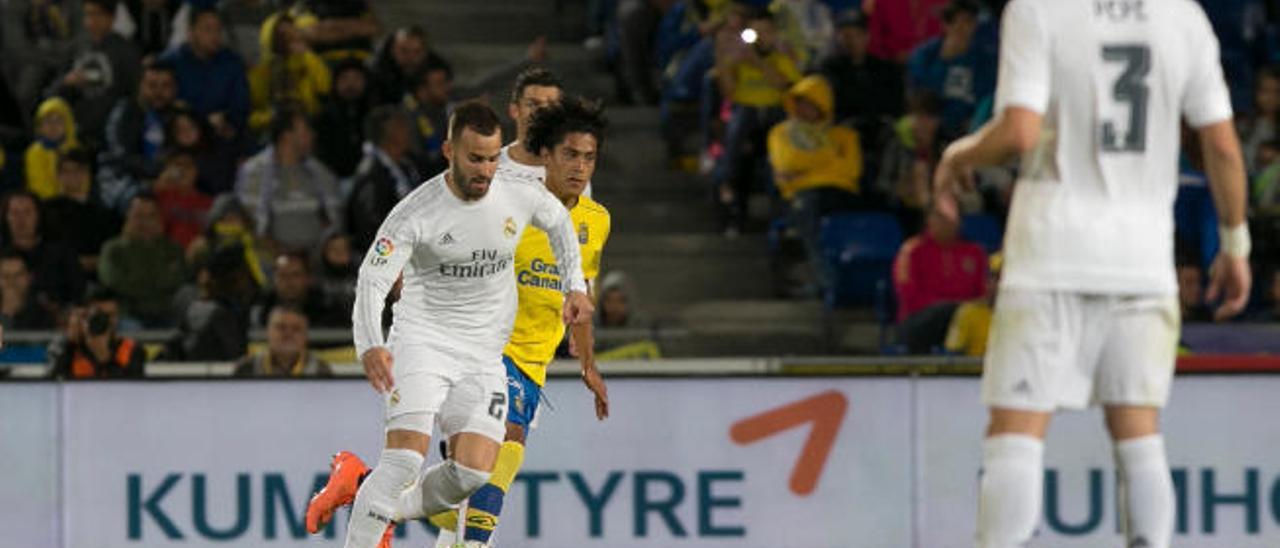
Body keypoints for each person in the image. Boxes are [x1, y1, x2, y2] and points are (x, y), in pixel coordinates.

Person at [932, 2, 1252, 547]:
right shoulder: (1183, 16)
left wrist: (956, 156)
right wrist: (1235, 243)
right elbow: (1221, 146)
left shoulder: (1039, 9)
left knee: (1016, 434)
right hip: (1143, 258)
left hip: (1050, 250)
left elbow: (1018, 132)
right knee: (1138, 436)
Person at [302, 101, 593, 548]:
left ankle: (361, 489)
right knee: (402, 462)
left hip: (483, 356)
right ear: (448, 152)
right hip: (422, 344)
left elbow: (560, 225)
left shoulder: (516, 194)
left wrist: (575, 286)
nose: (486, 169)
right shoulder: (416, 211)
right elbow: (373, 278)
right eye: (475, 158)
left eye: (493, 157)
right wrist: (370, 344)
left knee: (474, 472)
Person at [427, 96, 612, 547]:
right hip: (486, 351)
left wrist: (588, 363)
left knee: (469, 484)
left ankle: (370, 488)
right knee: (502, 444)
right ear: (545, 155)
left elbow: (581, 293)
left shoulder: (597, 221)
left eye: (589, 157)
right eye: (570, 154)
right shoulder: (505, 206)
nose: (579, 167)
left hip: (532, 362)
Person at [767, 75, 863, 294]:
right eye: (799, 102)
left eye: (808, 103)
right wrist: (830, 157)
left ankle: (849, 281)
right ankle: (826, 281)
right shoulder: (780, 133)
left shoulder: (845, 136)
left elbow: (852, 170)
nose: (802, 109)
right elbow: (787, 162)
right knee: (808, 209)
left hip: (839, 193)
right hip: (800, 197)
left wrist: (804, 169)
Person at [235, 104, 341, 254]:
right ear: (287, 135)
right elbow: (250, 227)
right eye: (306, 130)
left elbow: (334, 222)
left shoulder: (321, 173)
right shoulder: (254, 173)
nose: (312, 135)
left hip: (317, 262)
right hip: (273, 262)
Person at [48, 0, 142, 148]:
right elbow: (51, 93)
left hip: (111, 129)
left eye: (98, 14)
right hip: (74, 128)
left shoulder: (126, 51)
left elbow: (134, 93)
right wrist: (67, 82)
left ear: (111, 18)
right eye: (88, 14)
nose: (92, 20)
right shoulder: (76, 48)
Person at [98, 59, 182, 211]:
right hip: (123, 177)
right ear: (141, 86)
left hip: (167, 179)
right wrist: (157, 172)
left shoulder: (179, 115)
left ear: (175, 89)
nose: (159, 92)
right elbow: (119, 154)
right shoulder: (124, 112)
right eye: (152, 85)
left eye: (165, 86)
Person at [906, 0, 995, 139]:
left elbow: (985, 98)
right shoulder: (924, 56)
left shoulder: (984, 60)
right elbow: (917, 94)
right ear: (945, 25)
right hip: (930, 122)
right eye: (955, 22)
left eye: (968, 22)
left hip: (968, 128)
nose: (962, 28)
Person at [98, 192, 187, 328]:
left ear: (158, 218)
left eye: (150, 216)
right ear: (128, 216)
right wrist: (156, 284)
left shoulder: (172, 249)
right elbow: (112, 281)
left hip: (167, 312)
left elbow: (180, 278)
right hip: (128, 312)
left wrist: (140, 281)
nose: (144, 222)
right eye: (138, 216)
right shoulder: (113, 249)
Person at [159, 7, 250, 140]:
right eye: (208, 29)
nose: (215, 36)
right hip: (180, 137)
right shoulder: (170, 62)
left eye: (218, 30)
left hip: (222, 136)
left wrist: (226, 119)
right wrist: (203, 120)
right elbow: (163, 104)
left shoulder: (232, 63)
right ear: (190, 32)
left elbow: (241, 106)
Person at [347, 105, 419, 253]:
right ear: (390, 133)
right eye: (402, 126)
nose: (409, 131)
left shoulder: (408, 166)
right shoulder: (371, 174)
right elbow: (370, 226)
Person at [247, 12, 332, 134]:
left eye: (292, 31)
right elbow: (249, 115)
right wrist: (269, 119)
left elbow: (324, 89)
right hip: (271, 131)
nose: (290, 37)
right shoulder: (262, 71)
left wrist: (307, 57)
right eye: (282, 34)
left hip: (308, 127)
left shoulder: (309, 60)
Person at [41, 148, 121, 277]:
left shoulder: (104, 212)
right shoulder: (47, 210)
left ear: (87, 174)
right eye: (66, 171)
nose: (72, 176)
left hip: (100, 274)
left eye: (78, 171)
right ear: (58, 176)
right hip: (61, 274)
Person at [0, 190, 85, 307]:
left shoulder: (61, 253)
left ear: (39, 215)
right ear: (6, 217)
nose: (20, 219)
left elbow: (77, 292)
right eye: (14, 213)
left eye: (27, 212)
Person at [47, 287, 147, 379]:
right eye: (99, 315)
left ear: (118, 316)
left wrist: (105, 359)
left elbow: (133, 392)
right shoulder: (64, 347)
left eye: (111, 315)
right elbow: (50, 387)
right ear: (85, 315)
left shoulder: (131, 349)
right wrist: (69, 343)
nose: (106, 321)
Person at [254, 251, 347, 328]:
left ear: (308, 278)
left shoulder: (329, 309)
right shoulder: (262, 308)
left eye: (295, 275)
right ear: (274, 280)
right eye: (282, 276)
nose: (289, 281)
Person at [234, 305, 332, 377]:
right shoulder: (246, 368)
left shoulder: (320, 370)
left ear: (305, 336)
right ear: (268, 332)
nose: (288, 334)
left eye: (296, 329)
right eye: (281, 327)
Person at [315, 59, 373, 178]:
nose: (350, 85)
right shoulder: (323, 117)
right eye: (345, 79)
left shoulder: (373, 113)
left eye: (356, 79)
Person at [943, 252, 1000, 357]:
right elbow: (953, 354)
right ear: (987, 282)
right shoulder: (969, 312)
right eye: (995, 278)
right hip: (975, 372)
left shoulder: (1027, 315)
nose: (1000, 285)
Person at [152, 151, 212, 248]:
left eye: (188, 166)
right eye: (178, 165)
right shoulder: (159, 195)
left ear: (196, 171)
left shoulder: (208, 202)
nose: (182, 170)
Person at [25, 96, 80, 200]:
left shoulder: (76, 149)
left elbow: (84, 182)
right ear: (39, 127)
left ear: (67, 125)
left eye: (58, 121)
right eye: (47, 121)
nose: (53, 126)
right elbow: (39, 185)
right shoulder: (35, 152)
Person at [0, 252, 57, 330]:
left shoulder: (43, 315)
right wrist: (6, 313)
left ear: (29, 277)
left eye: (18, 275)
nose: (11, 282)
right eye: (6, 276)